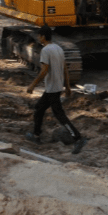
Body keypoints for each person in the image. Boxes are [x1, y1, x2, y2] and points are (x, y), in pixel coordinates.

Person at [25, 27, 87, 155]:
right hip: (56, 87)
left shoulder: (46, 50)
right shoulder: (58, 48)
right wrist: (68, 86)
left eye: (38, 36)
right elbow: (65, 67)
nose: (37, 38)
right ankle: (36, 135)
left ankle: (78, 138)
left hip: (52, 88)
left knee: (59, 114)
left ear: (42, 36)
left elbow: (44, 70)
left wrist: (32, 85)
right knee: (39, 109)